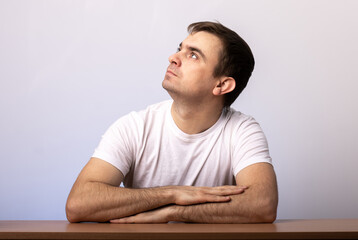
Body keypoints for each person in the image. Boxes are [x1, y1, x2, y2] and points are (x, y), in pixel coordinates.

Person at [66, 21, 278, 224]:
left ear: (221, 85)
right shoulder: (134, 127)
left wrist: (174, 211)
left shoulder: (242, 131)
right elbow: (78, 203)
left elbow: (263, 204)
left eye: (193, 55)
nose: (173, 58)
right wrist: (173, 193)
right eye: (180, 49)